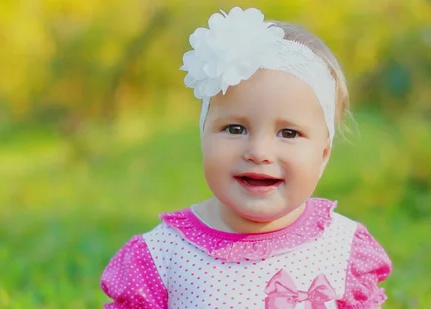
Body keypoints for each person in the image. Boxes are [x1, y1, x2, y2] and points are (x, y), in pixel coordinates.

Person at [100, 6, 392, 309]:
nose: (259, 152)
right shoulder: (164, 256)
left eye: (289, 133)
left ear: (323, 155)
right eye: (235, 128)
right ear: (204, 136)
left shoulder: (341, 249)